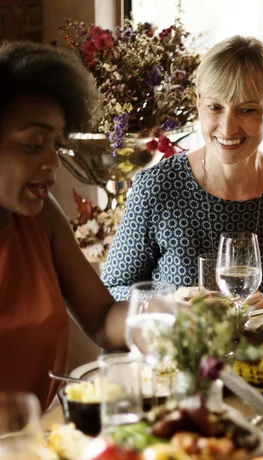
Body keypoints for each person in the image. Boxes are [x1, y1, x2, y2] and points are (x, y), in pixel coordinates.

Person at [101, 36, 263, 308]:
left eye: (247, 110)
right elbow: (112, 289)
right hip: (180, 350)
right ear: (198, 104)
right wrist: (169, 302)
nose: (228, 128)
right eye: (215, 107)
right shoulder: (157, 186)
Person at [0, 42, 127, 410]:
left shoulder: (39, 216)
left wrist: (161, 319)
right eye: (33, 145)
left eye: (56, 145)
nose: (53, 165)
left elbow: (103, 318)